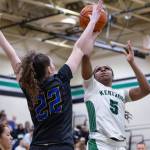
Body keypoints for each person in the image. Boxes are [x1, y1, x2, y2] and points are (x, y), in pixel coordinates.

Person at [0, 0, 103, 149]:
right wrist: (92, 23)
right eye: (52, 63)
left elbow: (10, 52)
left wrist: (92, 26)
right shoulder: (61, 79)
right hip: (61, 145)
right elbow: (79, 48)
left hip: (38, 145)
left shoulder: (29, 86)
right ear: (49, 69)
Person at [81, 41, 150, 150]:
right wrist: (88, 47)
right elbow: (85, 60)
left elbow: (146, 90)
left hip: (120, 145)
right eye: (98, 69)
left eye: (107, 68)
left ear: (113, 76)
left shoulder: (122, 93)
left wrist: (132, 62)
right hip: (100, 143)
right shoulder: (92, 88)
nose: (103, 69)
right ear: (93, 77)